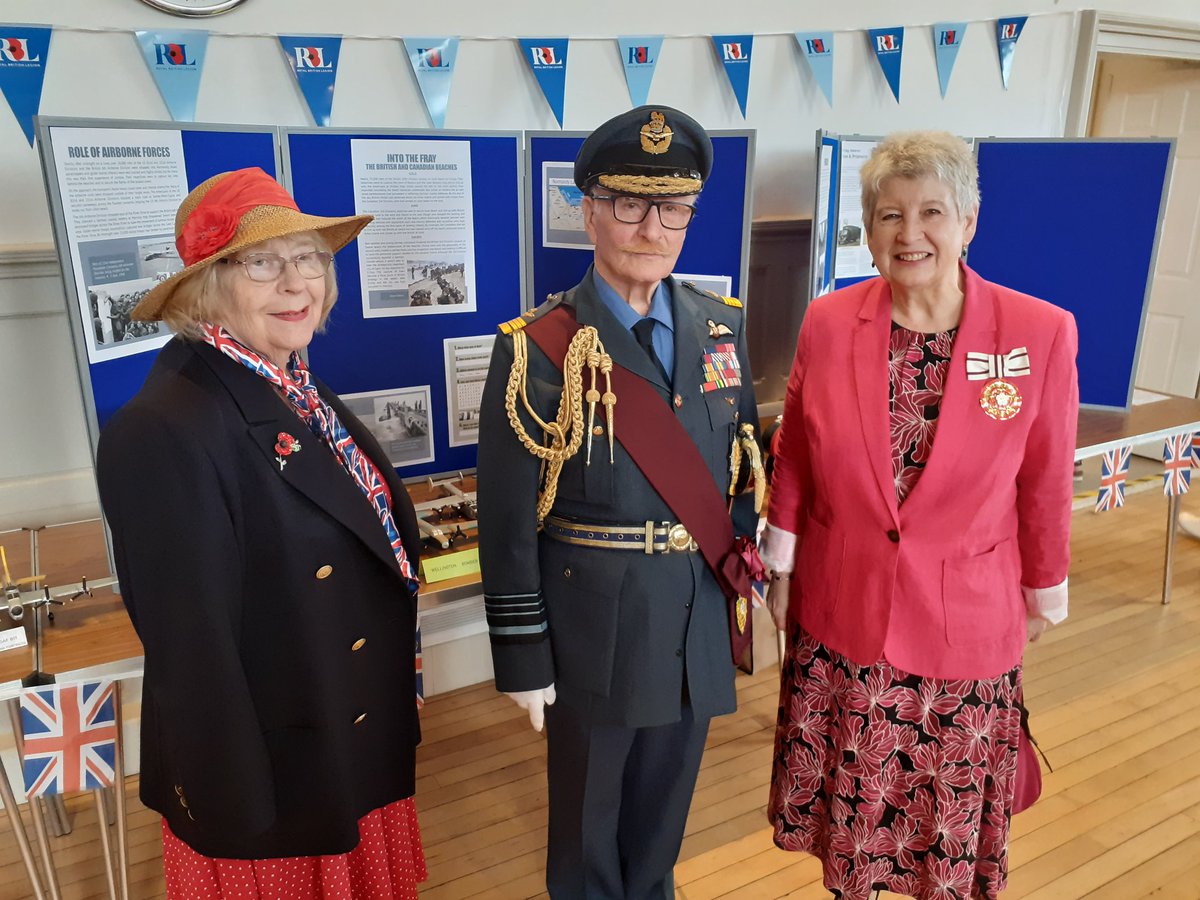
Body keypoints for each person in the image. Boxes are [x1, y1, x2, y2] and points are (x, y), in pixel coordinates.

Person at [762, 132, 1079, 900]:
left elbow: (1043, 482)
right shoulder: (830, 323)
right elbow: (796, 452)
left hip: (965, 626)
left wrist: (1042, 588)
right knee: (856, 832)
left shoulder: (1038, 332)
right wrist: (780, 561)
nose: (910, 234)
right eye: (889, 215)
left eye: (931, 212)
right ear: (868, 232)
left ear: (968, 222)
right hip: (843, 616)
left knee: (944, 838)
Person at [96, 167, 426, 898]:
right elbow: (194, 651)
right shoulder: (164, 430)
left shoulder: (292, 383)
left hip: (341, 736)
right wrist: (238, 812)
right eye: (263, 262)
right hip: (275, 785)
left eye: (309, 257)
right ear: (205, 287)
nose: (296, 282)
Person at [476, 105, 763, 898]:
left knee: (663, 823)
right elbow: (505, 523)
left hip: (692, 621)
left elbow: (742, 471)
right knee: (585, 835)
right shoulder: (537, 346)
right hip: (591, 633)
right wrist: (522, 656)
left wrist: (734, 581)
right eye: (632, 203)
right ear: (590, 209)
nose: (653, 227)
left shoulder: (721, 328)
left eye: (673, 207)